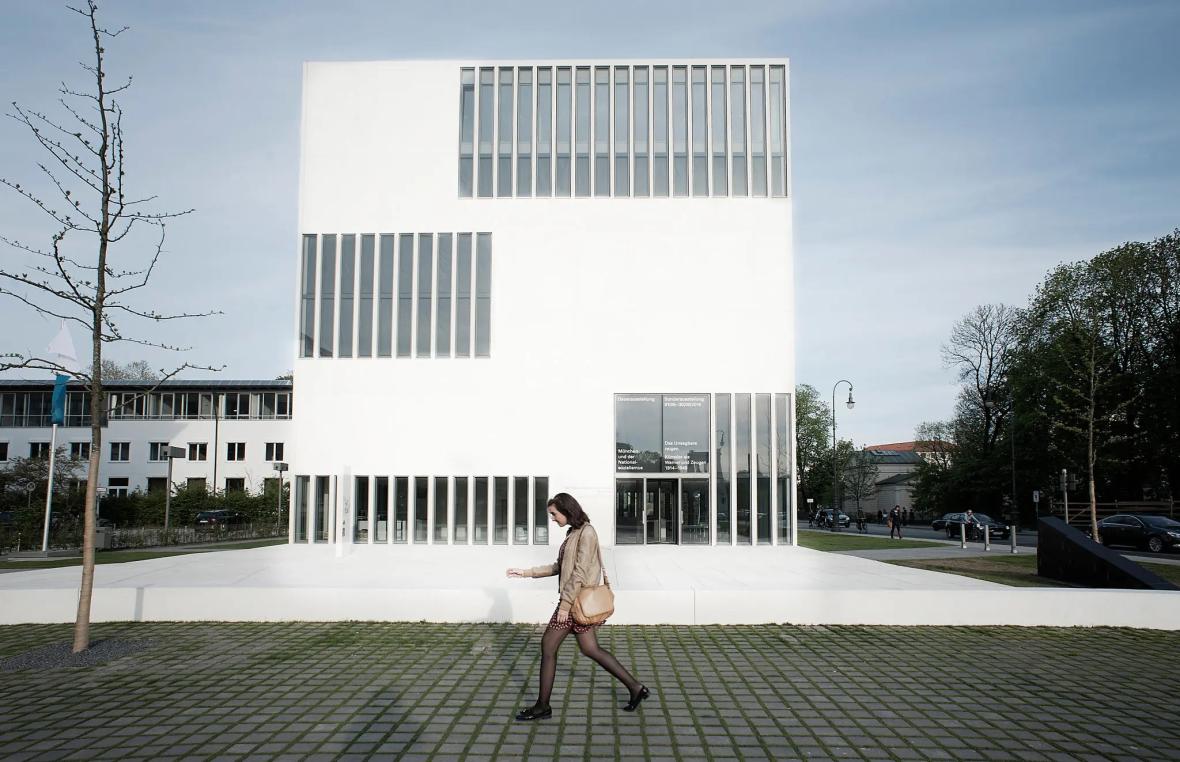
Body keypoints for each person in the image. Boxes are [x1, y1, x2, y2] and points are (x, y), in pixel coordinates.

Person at [507, 492, 649, 721]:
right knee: (590, 649)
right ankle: (636, 687)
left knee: (548, 648)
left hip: (574, 603)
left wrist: (564, 606)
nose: (552, 519)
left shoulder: (587, 533)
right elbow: (559, 567)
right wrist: (526, 572)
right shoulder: (573, 532)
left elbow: (579, 573)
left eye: (554, 514)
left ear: (566, 510)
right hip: (574, 602)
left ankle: (543, 706)